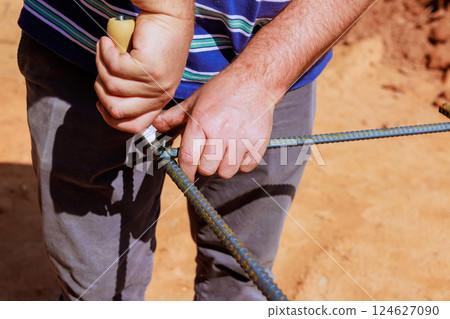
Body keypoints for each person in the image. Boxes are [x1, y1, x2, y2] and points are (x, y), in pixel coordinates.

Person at [18, 0, 372, 300]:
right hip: (92, 53)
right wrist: (164, 16)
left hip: (282, 59)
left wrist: (259, 80)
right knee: (96, 290)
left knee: (241, 275)